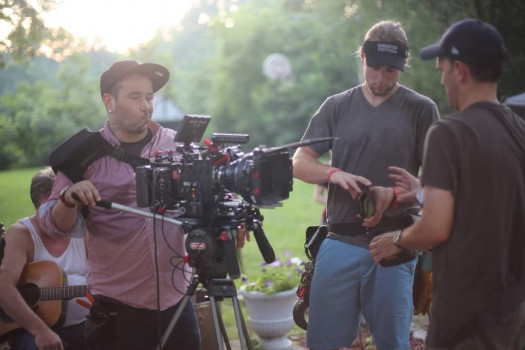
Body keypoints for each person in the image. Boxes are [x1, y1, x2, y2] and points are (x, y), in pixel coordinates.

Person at [369, 19, 525, 349]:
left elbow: (435, 228)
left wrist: (396, 239)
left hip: (466, 318)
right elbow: (492, 195)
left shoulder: (449, 134)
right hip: (512, 314)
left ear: (460, 70)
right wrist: (425, 190)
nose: (441, 80)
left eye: (442, 70)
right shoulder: (518, 130)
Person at [38, 60, 206, 349]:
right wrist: (69, 198)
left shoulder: (177, 144)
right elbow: (51, 225)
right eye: (135, 97)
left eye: (150, 97)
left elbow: (208, 189)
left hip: (177, 298)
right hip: (119, 305)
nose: (146, 106)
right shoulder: (83, 155)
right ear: (109, 102)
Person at [292, 20, 439, 349]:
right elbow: (300, 163)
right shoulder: (337, 105)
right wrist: (333, 174)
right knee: (324, 342)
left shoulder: (422, 109)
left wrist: (405, 193)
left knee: (392, 343)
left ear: (403, 66)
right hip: (339, 241)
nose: (381, 79)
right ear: (361, 57)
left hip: (395, 246)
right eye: (375, 68)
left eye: (391, 70)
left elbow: (439, 184)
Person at [0, 167, 89, 350]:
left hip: (86, 326)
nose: (53, 218)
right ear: (36, 205)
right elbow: (3, 287)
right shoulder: (21, 233)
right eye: (47, 210)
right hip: (32, 331)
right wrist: (40, 330)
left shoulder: (85, 231)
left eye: (59, 209)